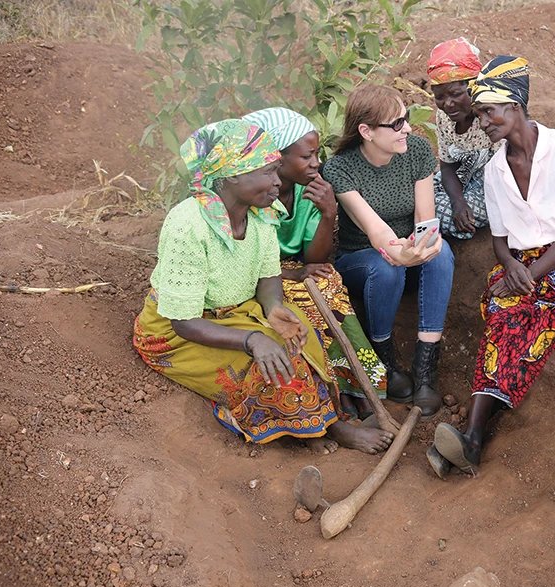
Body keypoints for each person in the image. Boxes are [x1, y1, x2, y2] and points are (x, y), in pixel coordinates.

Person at [132, 118, 394, 454]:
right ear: (233, 175)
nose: (277, 181)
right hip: (175, 332)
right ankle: (320, 430)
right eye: (268, 172)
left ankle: (322, 421)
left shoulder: (261, 216)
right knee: (263, 367)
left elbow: (269, 278)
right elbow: (183, 322)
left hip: (237, 313)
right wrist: (252, 339)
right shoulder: (189, 226)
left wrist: (273, 310)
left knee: (301, 341)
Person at [428, 56, 555, 477]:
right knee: (503, 316)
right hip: (519, 265)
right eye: (481, 112)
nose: (483, 121)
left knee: (529, 322)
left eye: (489, 111)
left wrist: (534, 271)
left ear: (515, 106)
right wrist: (509, 266)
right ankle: (471, 439)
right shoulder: (494, 170)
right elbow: (502, 240)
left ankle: (472, 434)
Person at [242, 107, 388, 420]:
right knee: (302, 304)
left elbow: (315, 259)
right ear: (276, 157)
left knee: (328, 284)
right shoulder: (251, 193)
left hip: (293, 266)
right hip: (258, 276)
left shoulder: (308, 188)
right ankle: (332, 392)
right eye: (306, 157)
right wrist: (292, 273)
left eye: (316, 154)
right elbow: (244, 261)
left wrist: (328, 213)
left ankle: (359, 387)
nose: (316, 163)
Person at [322, 84, 455, 418]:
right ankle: (385, 361)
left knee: (443, 254)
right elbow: (375, 230)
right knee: (386, 267)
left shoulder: (418, 151)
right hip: (363, 260)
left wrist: (426, 244)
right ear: (366, 131)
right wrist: (401, 254)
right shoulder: (340, 168)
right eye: (396, 124)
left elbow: (426, 218)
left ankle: (426, 370)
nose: (407, 128)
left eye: (406, 118)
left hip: (406, 250)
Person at [427, 38, 502, 240]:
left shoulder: (494, 116)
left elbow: (507, 175)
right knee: (417, 201)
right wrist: (458, 202)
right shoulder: (444, 117)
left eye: (455, 94)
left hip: (496, 185)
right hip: (462, 177)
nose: (448, 104)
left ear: (474, 87)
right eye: (439, 97)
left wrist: (462, 205)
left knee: (443, 218)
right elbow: (447, 165)